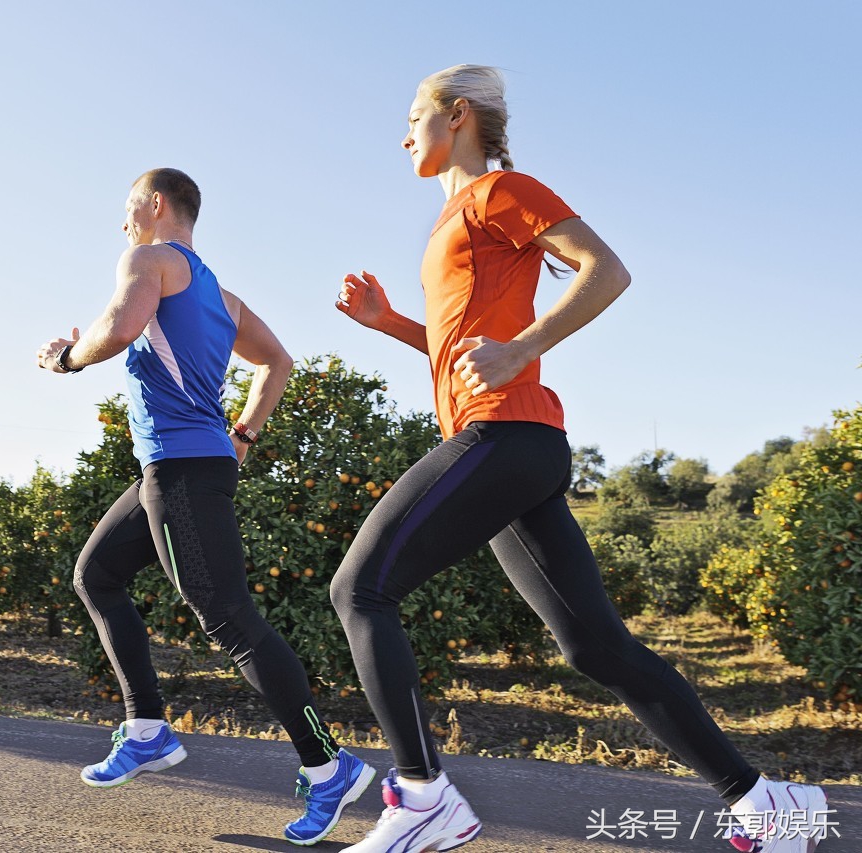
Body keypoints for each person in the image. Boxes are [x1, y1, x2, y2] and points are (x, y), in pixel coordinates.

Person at [330, 65, 830, 853]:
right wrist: (390, 321)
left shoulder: (502, 191)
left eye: (413, 117)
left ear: (457, 115)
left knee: (360, 588)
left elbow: (608, 270)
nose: (403, 136)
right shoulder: (452, 221)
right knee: (595, 646)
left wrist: (524, 347)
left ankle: (424, 796)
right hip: (515, 444)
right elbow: (464, 351)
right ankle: (768, 802)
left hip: (505, 435)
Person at [36, 168, 375, 846]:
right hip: (180, 465)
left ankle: (327, 764)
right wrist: (243, 434)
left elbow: (120, 324)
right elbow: (275, 361)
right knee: (97, 573)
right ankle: (147, 728)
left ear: (155, 204)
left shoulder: (149, 260)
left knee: (229, 618)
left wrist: (67, 358)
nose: (122, 222)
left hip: (183, 469)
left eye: (128, 207)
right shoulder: (221, 293)